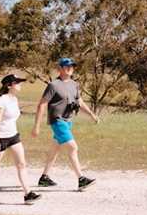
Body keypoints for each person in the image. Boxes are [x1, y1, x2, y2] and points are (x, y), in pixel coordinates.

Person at [32, 57, 99, 190]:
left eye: (72, 66)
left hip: (68, 121)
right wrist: (37, 126)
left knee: (54, 150)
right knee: (72, 147)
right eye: (67, 66)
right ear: (60, 68)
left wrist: (91, 115)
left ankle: (44, 178)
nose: (70, 68)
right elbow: (42, 105)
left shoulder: (74, 84)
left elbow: (79, 102)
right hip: (57, 121)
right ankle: (81, 179)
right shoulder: (53, 85)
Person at [0, 74, 41, 205]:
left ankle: (28, 194)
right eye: (17, 82)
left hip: (13, 136)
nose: (20, 84)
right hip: (0, 139)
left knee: (21, 164)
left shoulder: (14, 99)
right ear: (9, 86)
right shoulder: (1, 100)